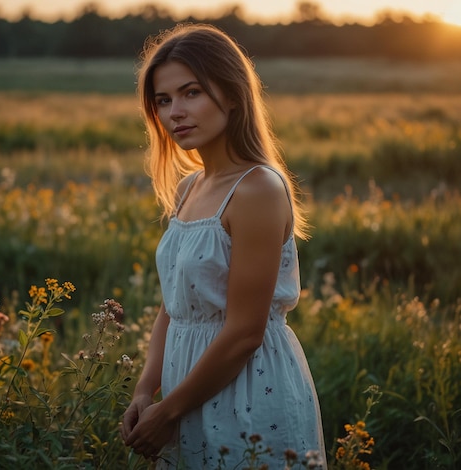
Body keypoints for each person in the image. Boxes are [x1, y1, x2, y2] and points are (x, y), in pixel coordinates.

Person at [121, 23, 325, 469]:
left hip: (248, 390)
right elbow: (174, 305)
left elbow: (245, 332)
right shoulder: (189, 187)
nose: (176, 111)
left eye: (191, 92)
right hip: (186, 387)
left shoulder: (257, 189)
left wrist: (169, 410)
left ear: (232, 95)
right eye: (163, 99)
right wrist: (145, 389)